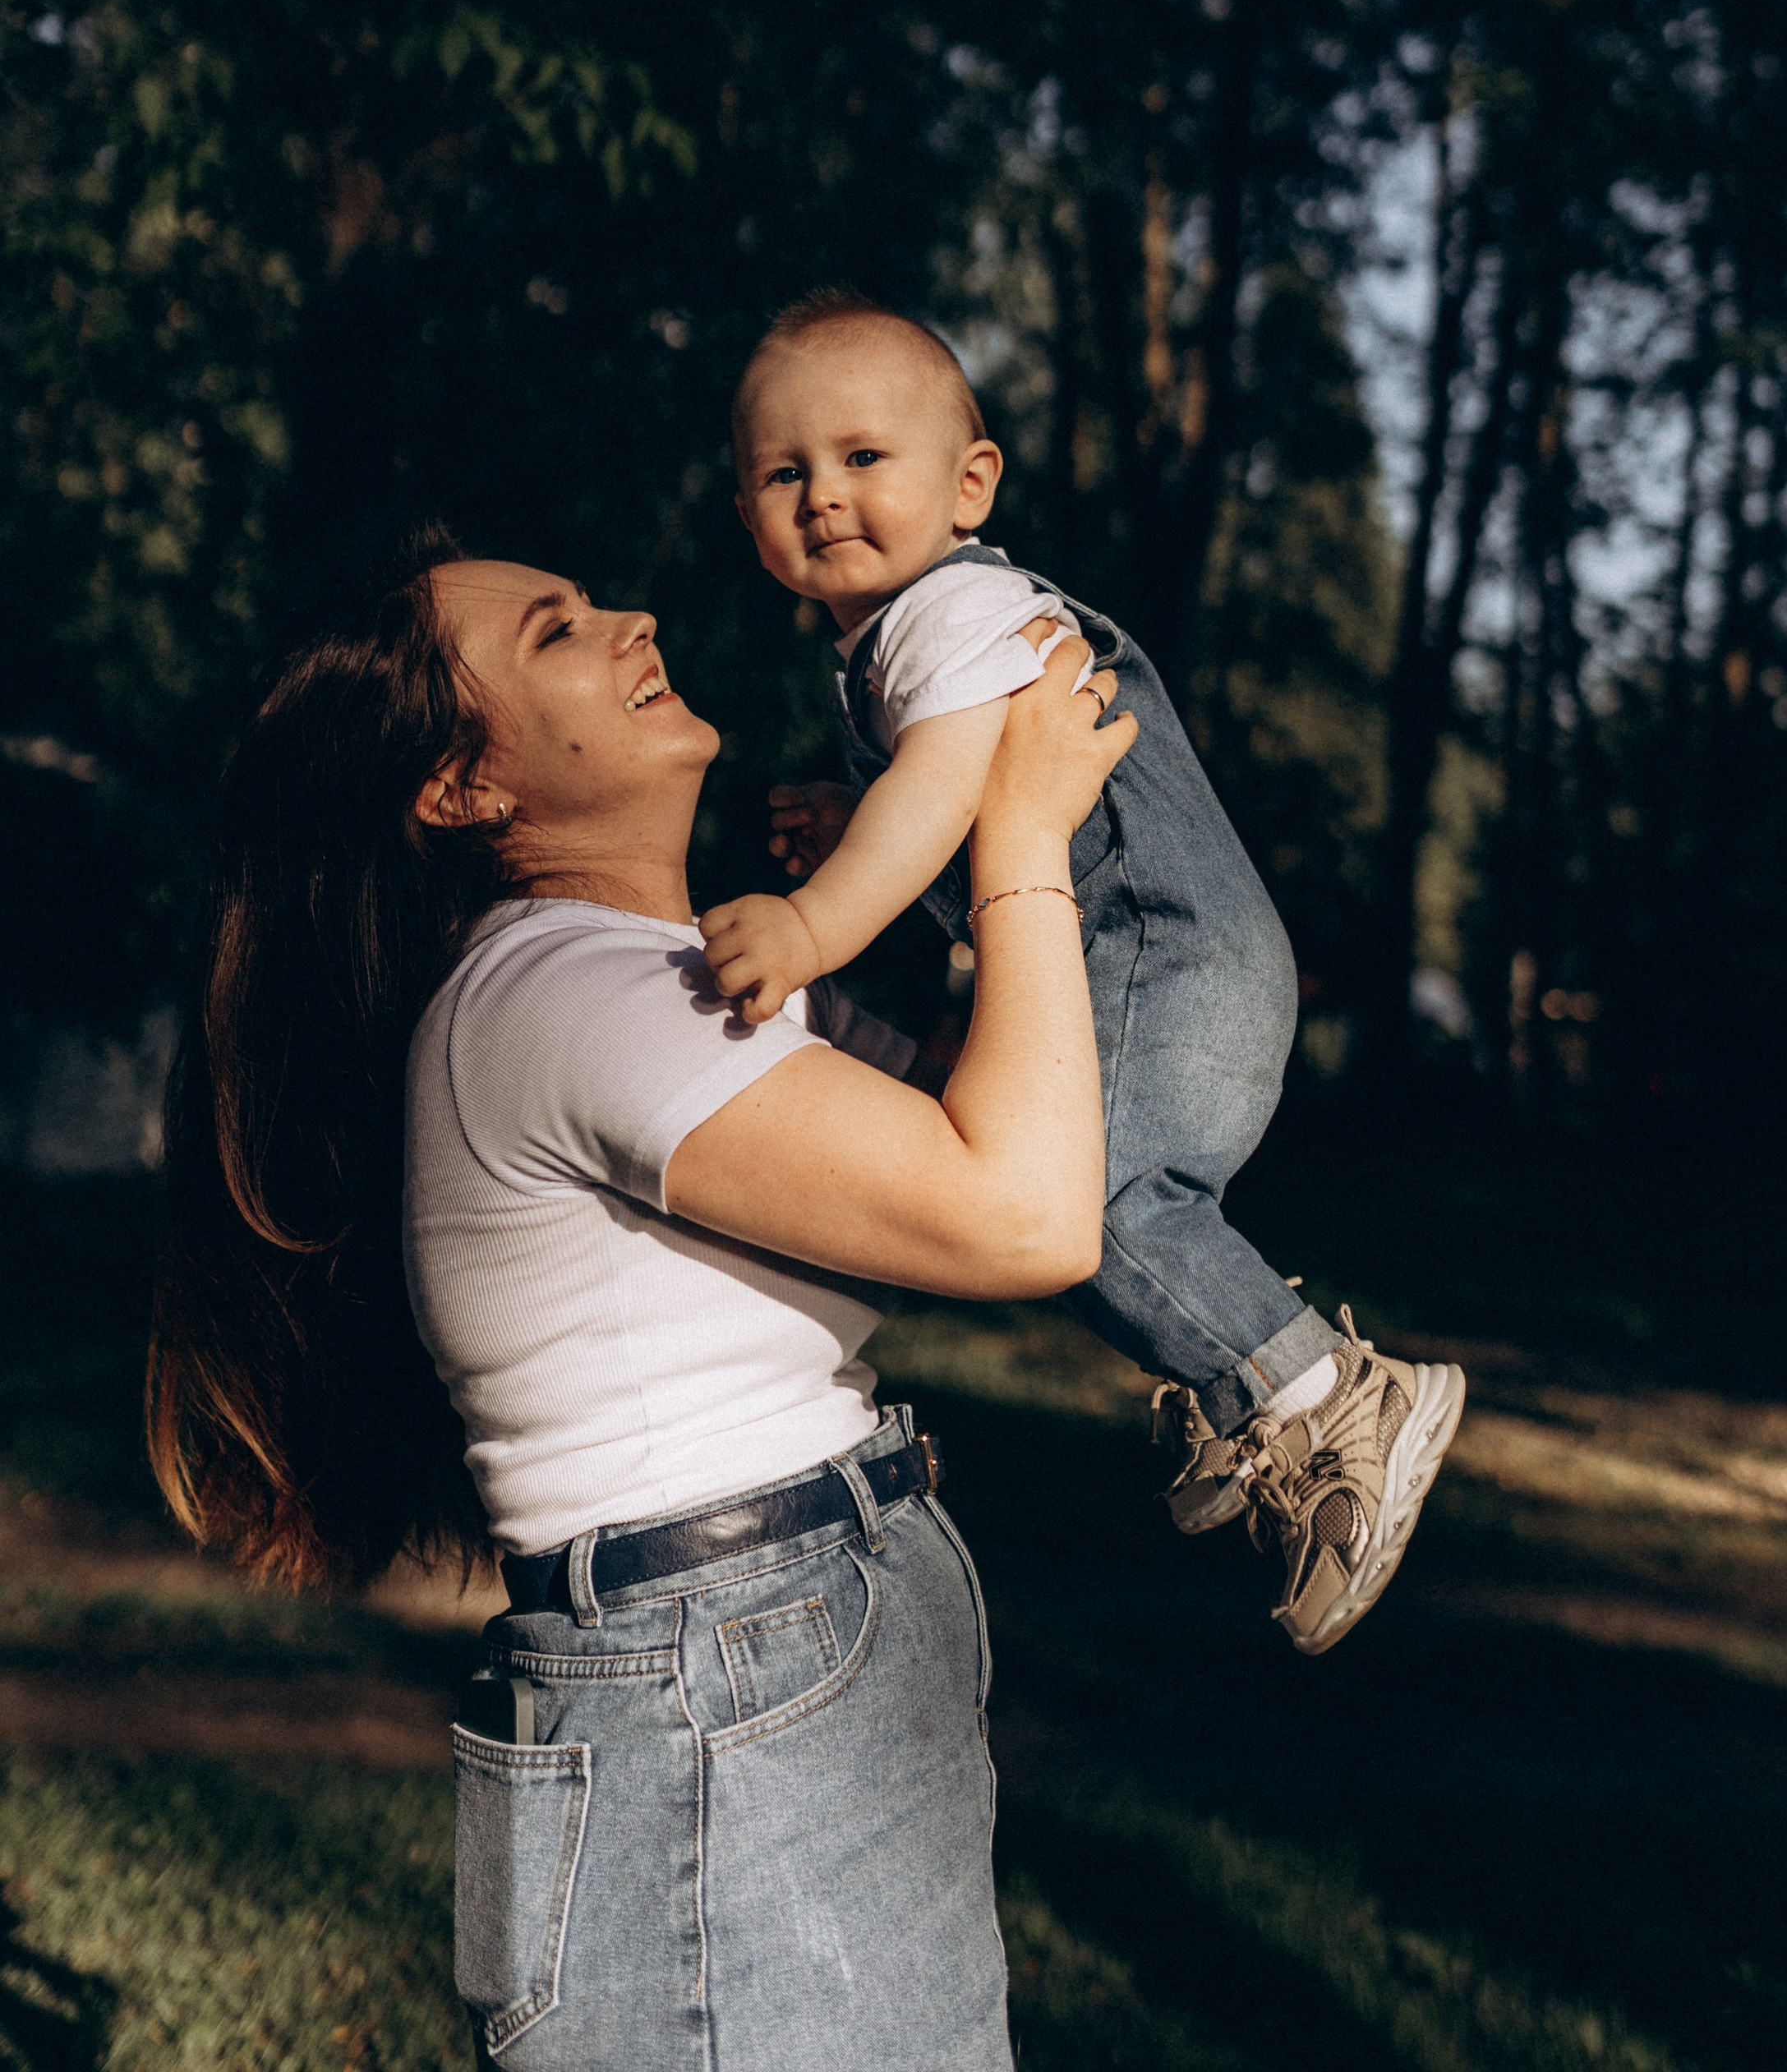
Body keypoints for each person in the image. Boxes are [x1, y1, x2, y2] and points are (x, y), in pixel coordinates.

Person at [147, 526, 1130, 2072]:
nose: (631, 619)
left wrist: (913, 896)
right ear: (461, 790)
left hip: (740, 1652)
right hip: (723, 1667)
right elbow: (1025, 1210)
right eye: (556, 633)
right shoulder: (567, 994)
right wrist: (1017, 836)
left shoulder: (657, 973)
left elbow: (980, 1110)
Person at [700, 292, 1466, 1657]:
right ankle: (1259, 1395)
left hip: (1171, 956)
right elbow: (992, 827)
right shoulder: (915, 644)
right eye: (783, 471)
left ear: (969, 483)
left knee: (1079, 1204)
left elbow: (950, 792)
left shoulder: (954, 608)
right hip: (1180, 962)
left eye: (864, 458)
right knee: (1062, 1198)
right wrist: (857, 810)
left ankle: (1325, 1397)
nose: (822, 495)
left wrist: (817, 922)